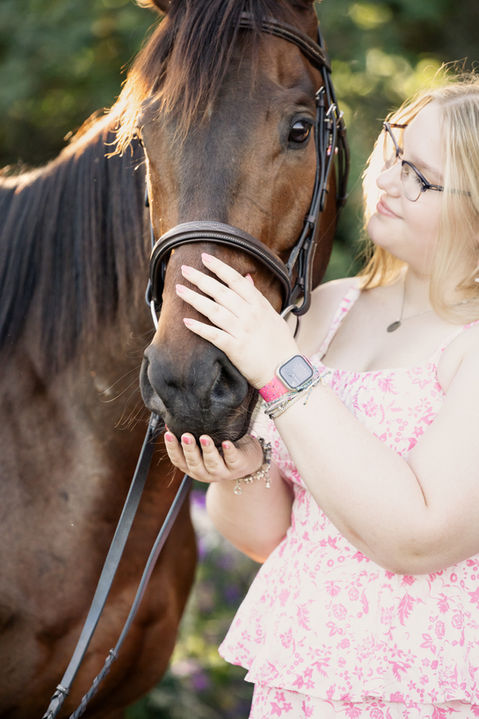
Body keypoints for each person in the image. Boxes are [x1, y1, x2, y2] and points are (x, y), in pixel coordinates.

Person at [164, 73, 479, 718]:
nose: (386, 180)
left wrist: (279, 369)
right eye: (393, 151)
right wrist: (243, 471)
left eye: (420, 177)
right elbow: (274, 537)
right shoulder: (327, 311)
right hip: (303, 680)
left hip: (425, 693)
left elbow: (418, 537)